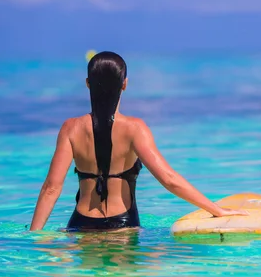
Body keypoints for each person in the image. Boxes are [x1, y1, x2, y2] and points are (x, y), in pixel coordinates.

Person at [30, 51, 248, 231]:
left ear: (88, 84)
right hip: (122, 226)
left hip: (80, 226)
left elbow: (51, 188)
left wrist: (33, 235)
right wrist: (216, 210)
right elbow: (169, 179)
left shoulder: (71, 128)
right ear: (124, 84)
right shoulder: (135, 129)